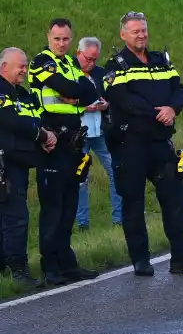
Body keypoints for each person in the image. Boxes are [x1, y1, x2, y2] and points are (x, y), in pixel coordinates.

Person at [104, 11, 183, 276]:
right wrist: (156, 112)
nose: (141, 35)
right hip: (131, 143)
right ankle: (140, 260)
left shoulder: (160, 60)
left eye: (143, 30)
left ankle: (182, 257)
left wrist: (173, 108)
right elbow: (123, 99)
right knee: (133, 203)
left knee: (175, 199)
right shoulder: (115, 64)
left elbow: (179, 88)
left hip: (161, 142)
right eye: (135, 31)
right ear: (123, 35)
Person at [27, 18, 100, 285]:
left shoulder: (70, 63)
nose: (61, 43)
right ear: (48, 37)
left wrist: (75, 95)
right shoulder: (40, 62)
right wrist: (74, 93)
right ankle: (50, 266)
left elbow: (92, 91)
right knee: (53, 206)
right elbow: (71, 89)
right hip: (52, 141)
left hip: (73, 142)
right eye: (57, 38)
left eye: (66, 39)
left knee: (70, 204)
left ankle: (67, 262)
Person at [0, 47, 56, 290]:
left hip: (19, 164)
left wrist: (46, 133)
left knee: (11, 217)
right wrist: (41, 135)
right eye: (19, 66)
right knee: (16, 219)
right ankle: (17, 269)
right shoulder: (2, 92)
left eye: (25, 65)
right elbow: (12, 121)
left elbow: (36, 117)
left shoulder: (22, 93)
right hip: (5, 166)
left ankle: (6, 267)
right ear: (3, 67)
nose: (24, 70)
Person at [74, 36, 120, 231]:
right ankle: (82, 223)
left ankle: (119, 218)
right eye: (88, 58)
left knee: (116, 172)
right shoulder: (68, 73)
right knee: (81, 178)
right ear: (78, 54)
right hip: (79, 133)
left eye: (95, 59)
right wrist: (85, 107)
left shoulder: (101, 74)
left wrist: (106, 104)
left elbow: (113, 96)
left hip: (101, 131)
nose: (91, 63)